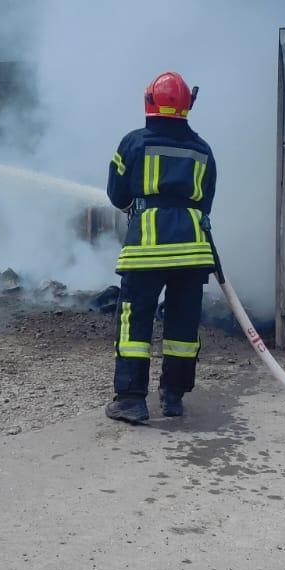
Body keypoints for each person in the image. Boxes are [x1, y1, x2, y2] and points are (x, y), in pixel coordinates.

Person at [103, 71, 217, 424]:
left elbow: (116, 193)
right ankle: (173, 396)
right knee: (183, 326)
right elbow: (206, 202)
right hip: (192, 252)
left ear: (149, 101)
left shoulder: (133, 143)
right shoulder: (203, 150)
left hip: (146, 251)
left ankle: (131, 400)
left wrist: (138, 209)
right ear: (187, 106)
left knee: (134, 324)